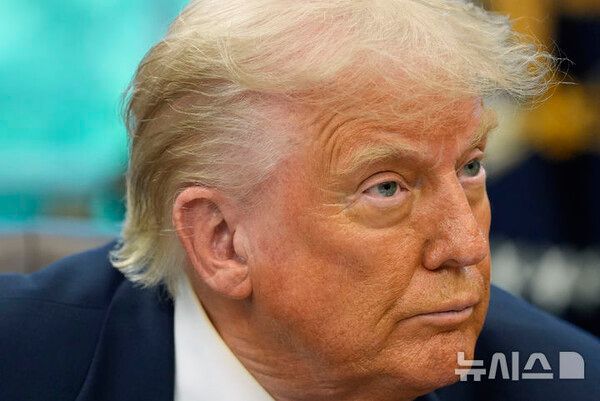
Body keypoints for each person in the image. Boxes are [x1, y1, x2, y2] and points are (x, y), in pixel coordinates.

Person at [1, 1, 598, 400]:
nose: (466, 245)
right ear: (222, 241)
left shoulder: (564, 380)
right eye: (386, 188)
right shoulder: (20, 362)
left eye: (470, 168)